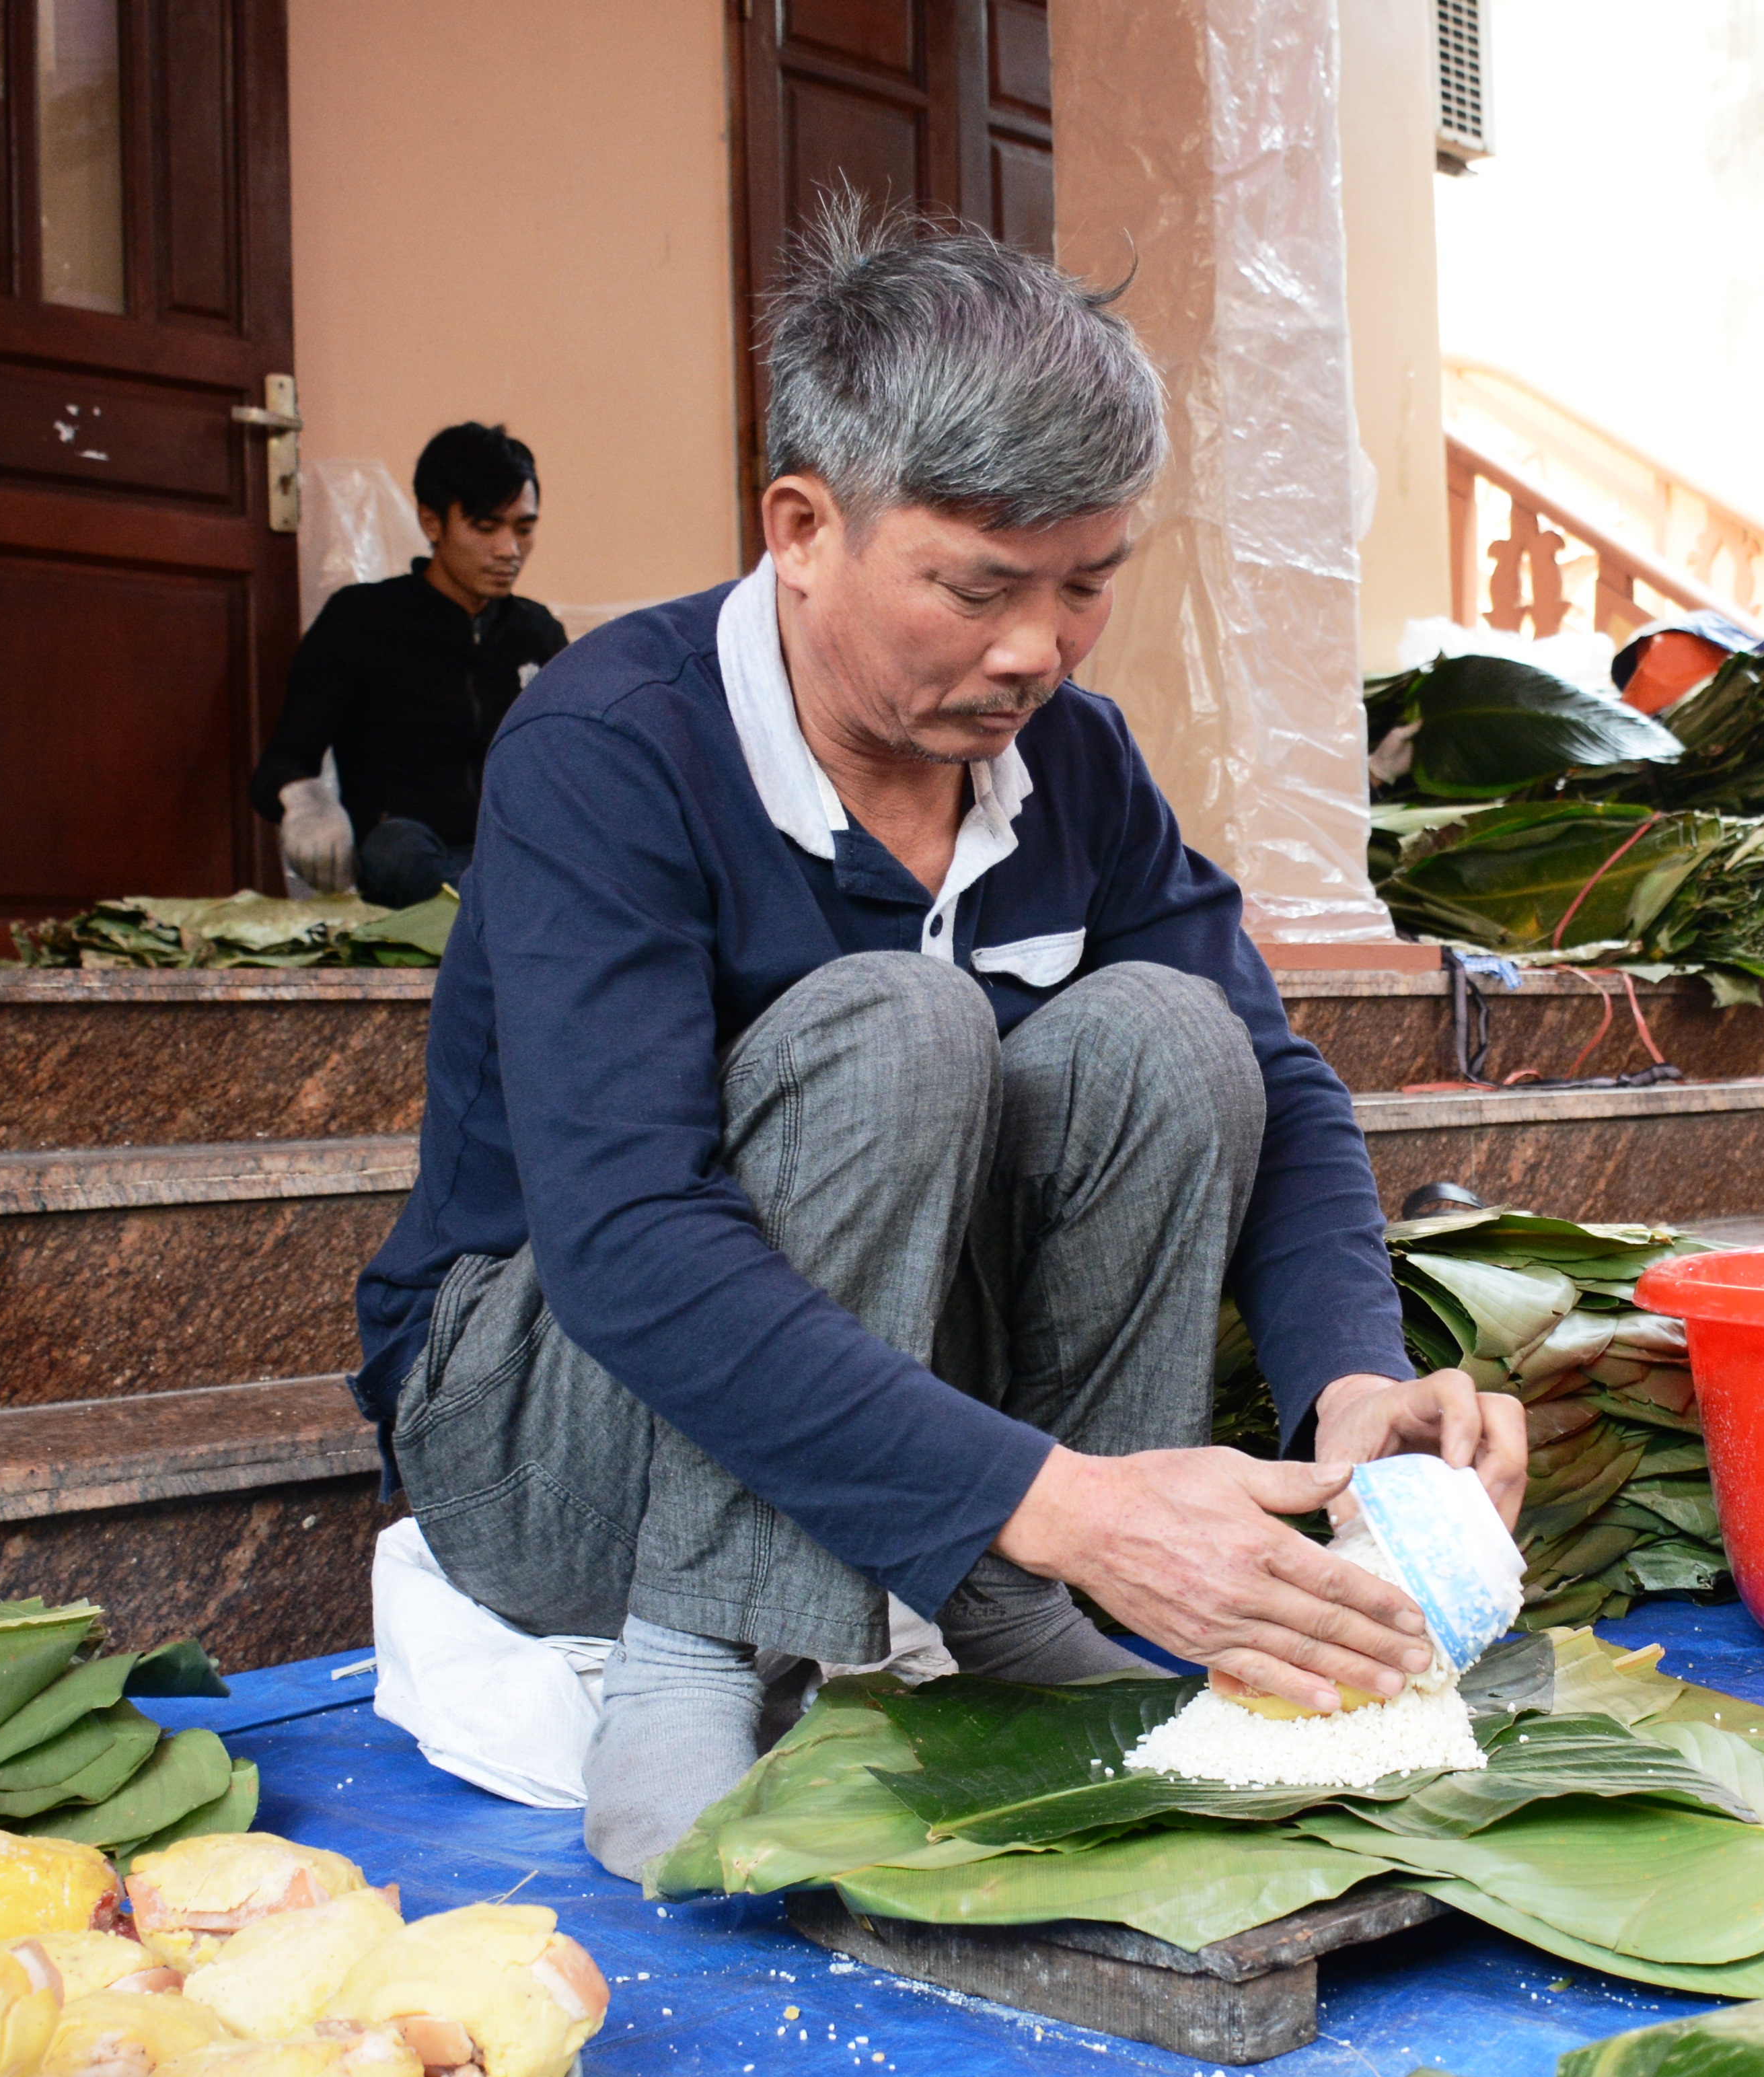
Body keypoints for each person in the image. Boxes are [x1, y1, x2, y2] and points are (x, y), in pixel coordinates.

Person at [352, 206, 1525, 1879]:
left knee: (1169, 1035)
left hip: (893, 1410)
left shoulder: (1075, 763)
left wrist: (1348, 1373)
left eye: (1086, 585)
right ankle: (704, 1646)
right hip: (545, 1418)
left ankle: (1016, 1613)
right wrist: (1065, 1497)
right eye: (976, 587)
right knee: (898, 1023)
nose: (1035, 647)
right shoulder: (608, 746)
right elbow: (621, 1240)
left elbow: (1274, 1087)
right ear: (803, 527)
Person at [249, 422, 567, 904]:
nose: (509, 550)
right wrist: (307, 804)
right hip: (412, 861)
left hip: (514, 852)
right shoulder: (361, 621)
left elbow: (576, 756)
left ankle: (492, 915)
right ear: (431, 522)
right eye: (485, 528)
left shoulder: (537, 633)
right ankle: (490, 919)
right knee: (400, 850)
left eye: (524, 529)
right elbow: (284, 760)